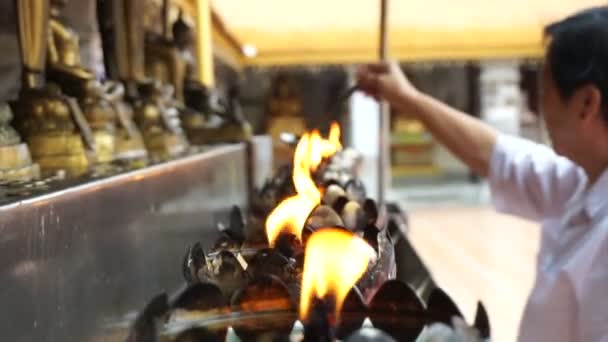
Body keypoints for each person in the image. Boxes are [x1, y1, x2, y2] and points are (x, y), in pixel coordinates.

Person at [357, 7, 608, 342]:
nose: (537, 108)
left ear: (586, 104)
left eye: (544, 91)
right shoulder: (581, 182)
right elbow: (498, 156)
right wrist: (408, 99)